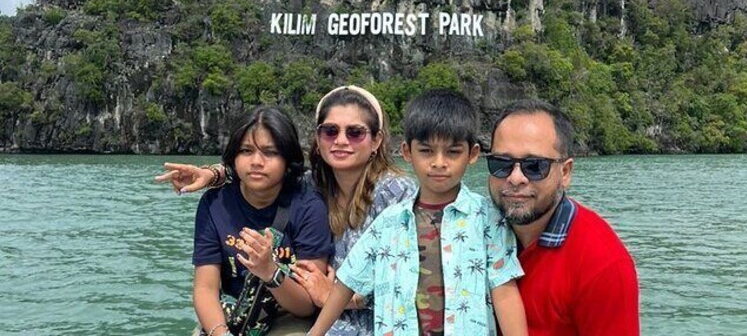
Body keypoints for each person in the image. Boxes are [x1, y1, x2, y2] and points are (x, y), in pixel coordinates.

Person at [157, 86, 415, 335]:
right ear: (318, 136)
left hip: (377, 318)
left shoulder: (395, 193)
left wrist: (343, 297)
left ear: (376, 140)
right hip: (324, 317)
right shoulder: (313, 182)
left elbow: (412, 280)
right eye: (330, 131)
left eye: (355, 133)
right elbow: (260, 173)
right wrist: (214, 174)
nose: (341, 141)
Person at [309, 89, 527, 336]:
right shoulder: (390, 222)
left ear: (473, 154)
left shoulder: (488, 219)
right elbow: (346, 283)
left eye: (453, 152)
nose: (439, 162)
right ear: (406, 152)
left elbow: (504, 292)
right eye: (426, 151)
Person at [485, 99, 640, 336]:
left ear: (565, 172)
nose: (516, 178)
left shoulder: (602, 263)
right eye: (501, 164)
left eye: (535, 166)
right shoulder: (470, 232)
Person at [191, 105, 334, 336]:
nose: (256, 161)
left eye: (270, 152)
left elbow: (307, 304)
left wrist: (270, 271)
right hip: (231, 316)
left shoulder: (308, 207)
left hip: (286, 318)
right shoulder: (214, 204)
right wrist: (220, 333)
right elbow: (205, 288)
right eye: (246, 151)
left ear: (287, 160)